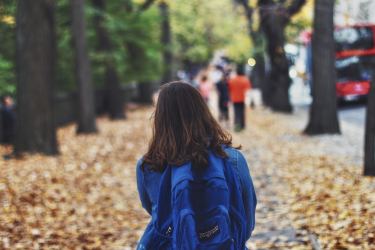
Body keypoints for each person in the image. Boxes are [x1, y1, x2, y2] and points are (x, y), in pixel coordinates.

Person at [136, 81, 256, 249]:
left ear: (160, 118)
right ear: (203, 112)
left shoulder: (148, 165)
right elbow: (247, 220)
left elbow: (158, 214)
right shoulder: (233, 159)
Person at [228, 66, 252, 131]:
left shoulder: (232, 80)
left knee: (236, 112)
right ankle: (243, 125)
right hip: (243, 98)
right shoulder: (245, 80)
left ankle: (237, 125)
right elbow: (248, 90)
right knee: (242, 112)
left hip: (235, 98)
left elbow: (229, 88)